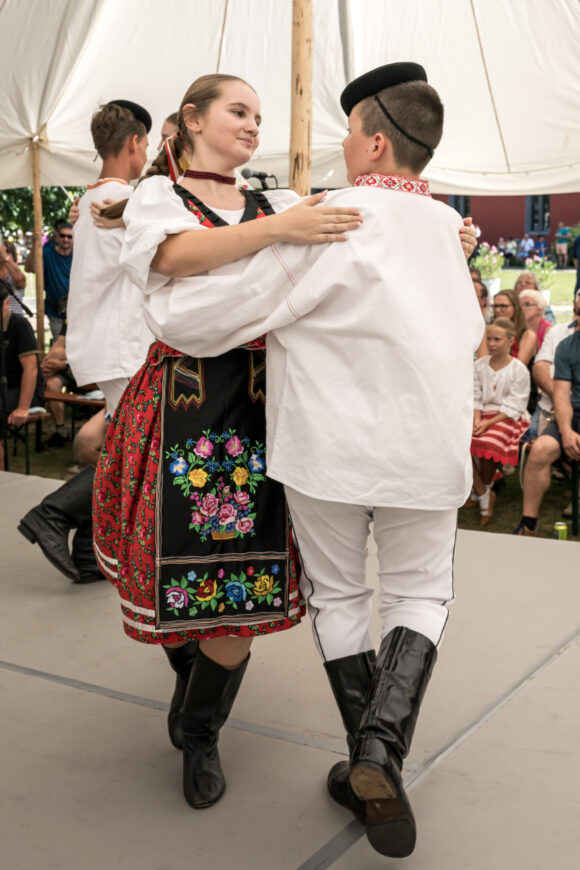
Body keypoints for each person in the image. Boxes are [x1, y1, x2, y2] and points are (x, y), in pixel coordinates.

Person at [130, 63, 481, 857]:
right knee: (424, 594)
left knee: (340, 596)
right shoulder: (444, 225)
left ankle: (370, 753)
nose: (342, 141)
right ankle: (376, 754)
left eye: (351, 129)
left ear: (377, 140)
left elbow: (209, 316)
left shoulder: (332, 216)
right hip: (427, 448)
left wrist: (171, 304)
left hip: (329, 449)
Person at [92, 73, 369, 814]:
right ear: (192, 120)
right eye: (238, 111)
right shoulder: (159, 199)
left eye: (257, 114)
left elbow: (347, 225)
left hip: (259, 410)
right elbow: (176, 262)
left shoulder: (271, 201)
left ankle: (200, 726)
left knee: (238, 598)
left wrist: (439, 230)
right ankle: (191, 676)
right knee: (177, 581)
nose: (252, 125)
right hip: (178, 405)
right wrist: (272, 237)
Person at [18, 99, 154, 584]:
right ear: (136, 143)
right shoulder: (123, 201)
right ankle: (53, 514)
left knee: (122, 443)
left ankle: (86, 554)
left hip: (104, 341)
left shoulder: (91, 198)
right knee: (131, 450)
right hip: (124, 345)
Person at [513, 292, 580, 535]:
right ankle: (528, 523)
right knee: (541, 449)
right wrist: (567, 430)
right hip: (562, 413)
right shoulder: (564, 343)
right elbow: (557, 390)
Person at [468, 319, 530, 524]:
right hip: (482, 413)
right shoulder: (478, 366)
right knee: (460, 439)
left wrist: (487, 423)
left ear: (511, 341)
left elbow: (516, 404)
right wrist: (477, 419)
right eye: (489, 339)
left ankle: (481, 492)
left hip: (508, 416)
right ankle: (483, 491)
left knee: (488, 441)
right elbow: (475, 395)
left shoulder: (518, 369)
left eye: (497, 339)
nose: (492, 344)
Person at [0, 282, 44, 469]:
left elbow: (31, 369)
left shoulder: (19, 325)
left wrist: (23, 408)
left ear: (7, 304)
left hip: (26, 390)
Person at [25, 220, 73, 340]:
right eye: (62, 235)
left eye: (69, 236)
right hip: (55, 311)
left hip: (76, 311)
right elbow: (29, 268)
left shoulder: (79, 254)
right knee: (61, 348)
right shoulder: (47, 253)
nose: (66, 239)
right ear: (57, 236)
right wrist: (35, 244)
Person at [491, 289, 536, 364]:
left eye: (503, 306)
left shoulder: (528, 335)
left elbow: (518, 366)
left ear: (516, 308)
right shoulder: (489, 331)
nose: (498, 310)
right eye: (495, 306)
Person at [0, 239, 27, 315]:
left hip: (15, 323)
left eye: (7, 251)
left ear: (13, 256)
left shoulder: (16, 275)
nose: (2, 254)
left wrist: (5, 257)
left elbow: (20, 281)